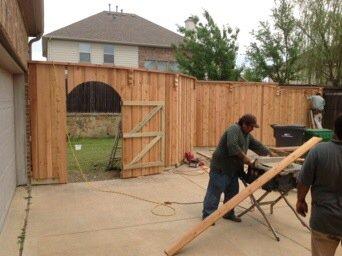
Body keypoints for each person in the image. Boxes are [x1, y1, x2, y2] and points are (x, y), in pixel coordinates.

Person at [202, 114, 273, 222]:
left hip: (233, 169)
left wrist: (270, 154)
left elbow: (257, 145)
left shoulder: (247, 135)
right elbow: (233, 146)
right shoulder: (234, 129)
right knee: (215, 192)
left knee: (232, 192)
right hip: (221, 167)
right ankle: (208, 216)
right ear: (244, 124)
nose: (252, 129)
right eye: (251, 126)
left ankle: (228, 213)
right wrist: (246, 159)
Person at [296, 113, 342, 256]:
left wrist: (300, 200)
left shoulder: (318, 151)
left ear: (334, 129)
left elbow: (304, 181)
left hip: (324, 220)